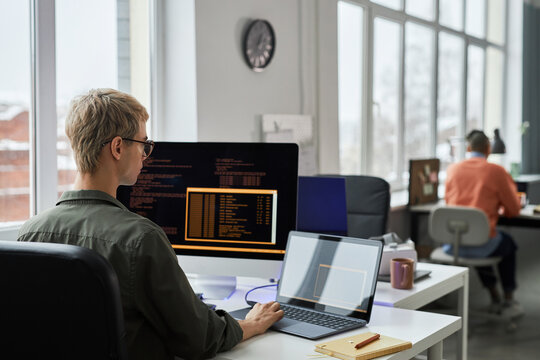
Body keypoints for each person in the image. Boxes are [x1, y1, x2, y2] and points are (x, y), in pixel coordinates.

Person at [17, 88, 283, 360]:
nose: (146, 154)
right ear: (118, 147)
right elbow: (198, 338)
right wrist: (249, 325)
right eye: (143, 143)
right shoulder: (142, 238)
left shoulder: (30, 232)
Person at [445, 129, 523, 317]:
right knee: (506, 243)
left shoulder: (452, 169)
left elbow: (449, 203)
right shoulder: (496, 171)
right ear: (488, 149)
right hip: (481, 243)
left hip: (453, 244)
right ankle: (508, 299)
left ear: (469, 148)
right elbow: (514, 210)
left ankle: (494, 295)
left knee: (480, 238)